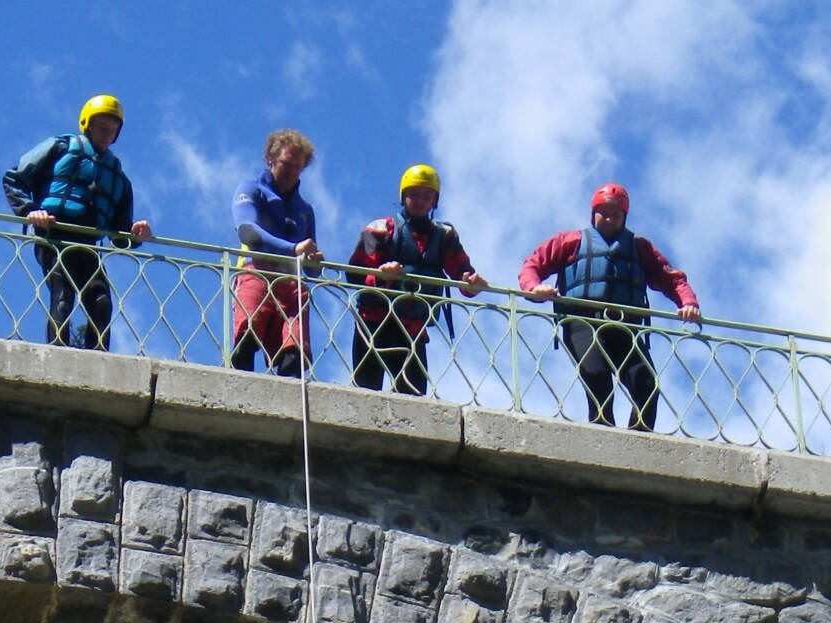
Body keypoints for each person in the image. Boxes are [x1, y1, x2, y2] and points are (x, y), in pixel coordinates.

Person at [519, 183, 700, 429]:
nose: (609, 217)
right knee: (597, 378)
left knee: (646, 386)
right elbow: (533, 264)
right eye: (603, 211)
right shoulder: (570, 241)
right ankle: (603, 433)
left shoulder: (639, 248)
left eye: (616, 214)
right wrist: (534, 288)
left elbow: (672, 279)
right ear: (593, 213)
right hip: (583, 322)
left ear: (624, 217)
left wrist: (688, 303)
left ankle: (640, 442)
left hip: (624, 327)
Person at [4, 94, 152, 351]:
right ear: (89, 125)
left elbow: (119, 235)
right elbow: (13, 178)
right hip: (53, 233)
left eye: (113, 131)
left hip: (87, 243)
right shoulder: (60, 147)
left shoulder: (118, 177)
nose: (107, 136)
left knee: (101, 300)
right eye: (103, 128)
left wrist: (134, 234)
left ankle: (97, 356)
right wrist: (31, 211)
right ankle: (57, 352)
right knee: (63, 295)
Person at [347, 165, 486, 396]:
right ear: (403, 197)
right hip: (373, 322)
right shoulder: (381, 229)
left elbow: (462, 272)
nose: (421, 201)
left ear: (435, 200)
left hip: (412, 330)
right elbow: (355, 272)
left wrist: (471, 283)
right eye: (414, 194)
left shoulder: (444, 236)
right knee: (365, 393)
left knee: (414, 397)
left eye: (427, 195)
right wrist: (380, 274)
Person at [230, 130, 323, 378]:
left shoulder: (305, 211)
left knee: (295, 349)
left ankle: (289, 401)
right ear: (270, 159)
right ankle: (242, 390)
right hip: (256, 272)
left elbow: (312, 269)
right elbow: (247, 230)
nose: (292, 172)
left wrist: (314, 263)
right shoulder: (252, 190)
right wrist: (293, 249)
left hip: (291, 283)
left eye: (297, 167)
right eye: (286, 164)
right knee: (247, 335)